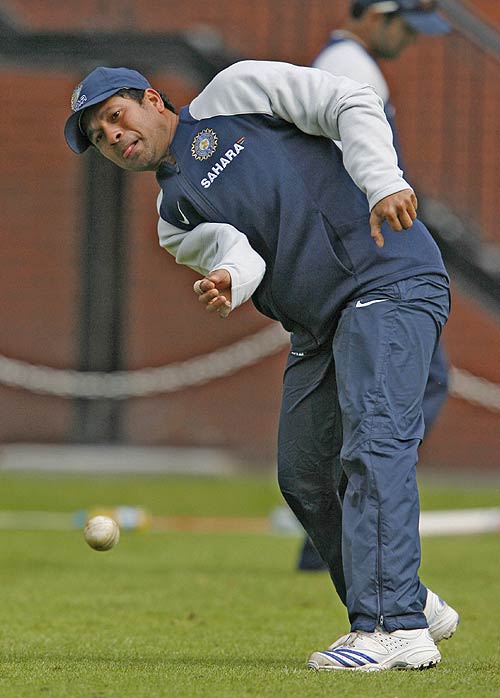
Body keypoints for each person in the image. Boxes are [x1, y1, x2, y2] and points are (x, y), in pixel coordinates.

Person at [64, 59, 458, 671]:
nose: (112, 138)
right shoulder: (172, 219)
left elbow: (349, 102)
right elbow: (235, 251)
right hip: (321, 326)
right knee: (303, 475)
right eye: (98, 138)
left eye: (115, 117)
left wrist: (382, 181)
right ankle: (409, 600)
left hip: (388, 276)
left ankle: (393, 626)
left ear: (151, 99)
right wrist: (228, 278)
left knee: (376, 441)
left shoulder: (235, 90)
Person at [297, 0, 452, 573]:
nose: (410, 39)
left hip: (358, 259)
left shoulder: (347, 62)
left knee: (374, 399)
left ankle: (336, 539)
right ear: (376, 16)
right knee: (406, 391)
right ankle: (350, 536)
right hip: (368, 259)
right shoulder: (350, 65)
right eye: (405, 26)